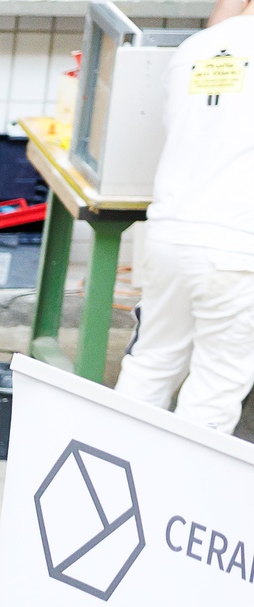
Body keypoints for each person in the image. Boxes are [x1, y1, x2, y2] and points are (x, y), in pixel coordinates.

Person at [112, 0, 254, 434]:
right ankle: (183, 497)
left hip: (171, 233)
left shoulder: (195, 48)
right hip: (235, 247)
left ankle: (110, 467)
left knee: (152, 361)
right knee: (215, 385)